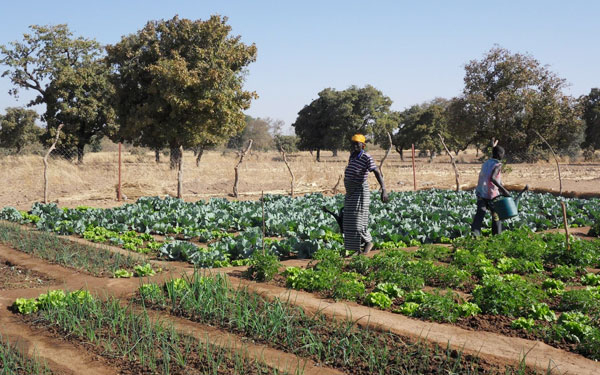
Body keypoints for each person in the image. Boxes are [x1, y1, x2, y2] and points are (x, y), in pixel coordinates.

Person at [343, 134, 388, 254]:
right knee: (348, 221)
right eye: (353, 144)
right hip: (351, 193)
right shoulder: (352, 156)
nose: (355, 146)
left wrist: (383, 189)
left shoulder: (366, 157)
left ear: (363, 145)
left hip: (360, 192)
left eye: (357, 144)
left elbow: (377, 172)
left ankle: (368, 243)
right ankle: (356, 249)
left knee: (358, 221)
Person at [471, 145, 510, 236]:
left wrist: (501, 185)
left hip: (481, 192)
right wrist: (504, 191)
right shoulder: (498, 164)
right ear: (499, 154)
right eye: (502, 154)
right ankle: (497, 236)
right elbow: (493, 178)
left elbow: (488, 177)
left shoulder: (486, 163)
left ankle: (475, 235)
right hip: (492, 194)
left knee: (480, 213)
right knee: (496, 215)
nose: (503, 156)